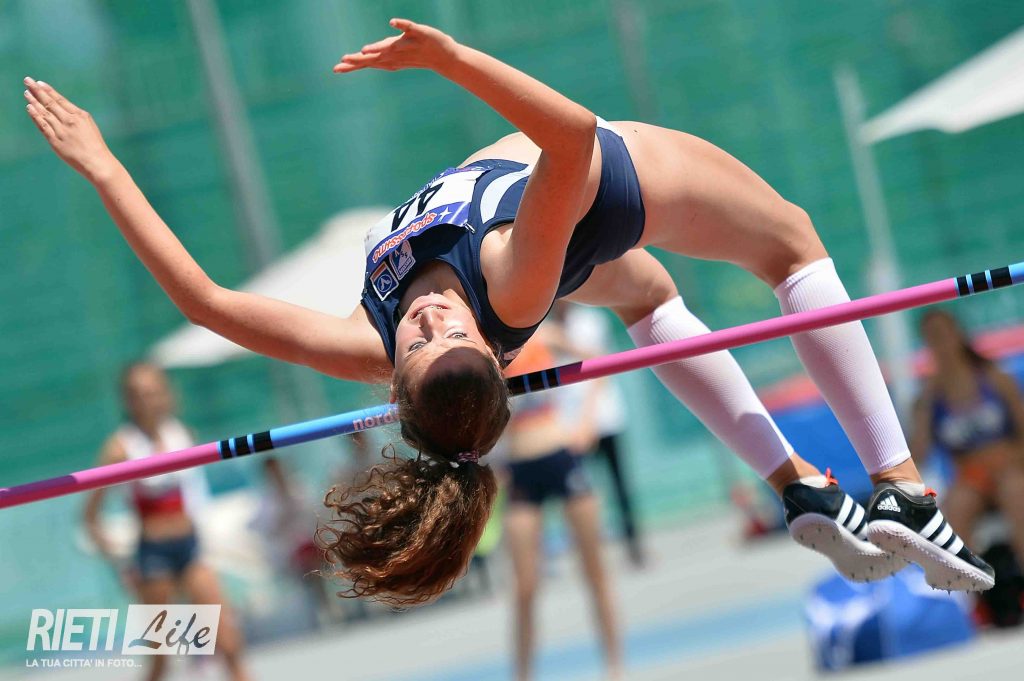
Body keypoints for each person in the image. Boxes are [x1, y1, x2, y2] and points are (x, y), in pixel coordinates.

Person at [27, 17, 993, 606]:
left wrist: (106, 169)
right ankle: (900, 482)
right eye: (454, 337)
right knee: (791, 245)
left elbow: (208, 303)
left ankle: (801, 487)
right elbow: (571, 138)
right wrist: (453, 60)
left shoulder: (367, 338)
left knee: (650, 295)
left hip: (564, 229)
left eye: (423, 339)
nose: (431, 321)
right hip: (609, 180)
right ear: (496, 354)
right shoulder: (506, 286)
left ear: (395, 376)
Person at [83, 363, 251, 681]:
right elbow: (90, 513)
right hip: (153, 554)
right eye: (139, 394)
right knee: (161, 656)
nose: (148, 400)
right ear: (128, 400)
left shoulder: (181, 433)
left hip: (190, 546)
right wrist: (118, 563)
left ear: (166, 394)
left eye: (153, 392)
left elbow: (195, 493)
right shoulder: (120, 446)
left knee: (228, 641)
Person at [500, 333, 622, 681]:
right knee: (524, 586)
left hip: (559, 453)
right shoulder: (487, 344)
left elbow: (598, 359)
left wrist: (586, 423)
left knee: (594, 571)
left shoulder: (544, 333)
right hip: (519, 464)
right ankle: (522, 675)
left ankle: (614, 668)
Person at [910, 310, 1024, 571]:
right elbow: (918, 456)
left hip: (1009, 467)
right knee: (954, 512)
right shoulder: (930, 397)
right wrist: (925, 406)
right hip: (970, 478)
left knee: (1016, 494)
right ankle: (972, 589)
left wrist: (1008, 460)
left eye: (943, 334)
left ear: (958, 334)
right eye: (932, 338)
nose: (941, 343)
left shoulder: (994, 379)